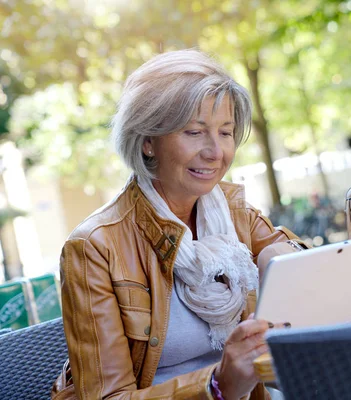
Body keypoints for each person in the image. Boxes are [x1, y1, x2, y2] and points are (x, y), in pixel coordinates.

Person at [51, 49, 304, 400]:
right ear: (149, 141)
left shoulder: (233, 211)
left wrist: (285, 257)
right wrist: (217, 385)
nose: (216, 152)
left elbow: (298, 261)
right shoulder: (95, 247)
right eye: (195, 132)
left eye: (226, 132)